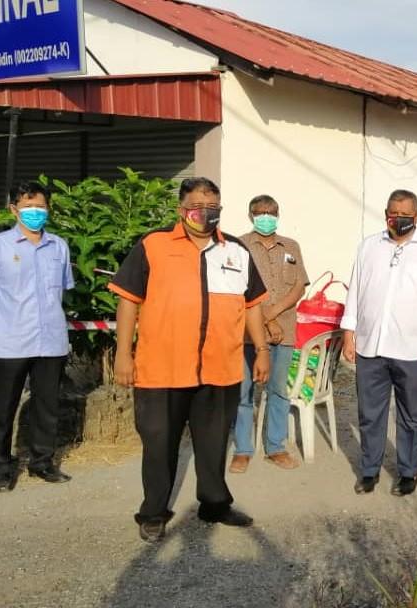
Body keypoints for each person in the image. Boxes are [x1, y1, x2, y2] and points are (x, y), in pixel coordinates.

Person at [110, 177, 271, 543]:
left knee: (214, 443)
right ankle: (153, 511)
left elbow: (251, 307)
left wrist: (261, 350)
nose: (206, 213)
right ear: (181, 209)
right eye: (199, 205)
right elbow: (128, 300)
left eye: (213, 207)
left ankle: (214, 504)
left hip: (220, 368)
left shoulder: (236, 251)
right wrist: (123, 353)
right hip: (162, 369)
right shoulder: (153, 245)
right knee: (159, 443)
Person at [340, 189, 417, 497]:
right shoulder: (369, 247)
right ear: (385, 212)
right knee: (370, 413)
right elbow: (355, 293)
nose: (398, 219)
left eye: (405, 215)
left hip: (412, 349)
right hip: (371, 347)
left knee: (411, 415)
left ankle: (407, 472)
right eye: (393, 213)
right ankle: (369, 470)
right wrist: (349, 332)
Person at [0, 181, 74, 492]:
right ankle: (2, 467)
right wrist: (0, 320)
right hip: (10, 342)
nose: (35, 213)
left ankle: (42, 462)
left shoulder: (59, 246)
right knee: (4, 406)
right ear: (14, 209)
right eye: (28, 207)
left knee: (47, 405)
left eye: (40, 207)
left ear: (49, 209)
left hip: (50, 340)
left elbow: (62, 291)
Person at [229, 195, 310, 474]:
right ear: (250, 215)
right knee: (243, 392)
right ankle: (242, 449)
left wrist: (273, 314)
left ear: (278, 214)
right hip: (247, 333)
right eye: (260, 212)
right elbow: (237, 288)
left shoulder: (291, 246)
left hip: (284, 331)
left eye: (271, 211)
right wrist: (264, 320)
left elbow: (300, 286)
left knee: (278, 391)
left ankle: (275, 446)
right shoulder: (238, 245)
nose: (266, 216)